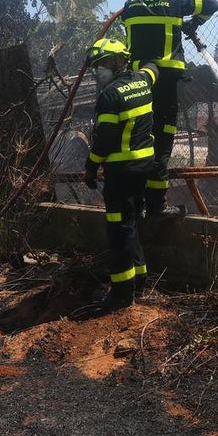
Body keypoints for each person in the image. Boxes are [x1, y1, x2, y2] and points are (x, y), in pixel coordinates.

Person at [120, 0, 218, 218]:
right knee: (162, 143)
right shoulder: (174, 0)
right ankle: (157, 207)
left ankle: (137, 204)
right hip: (164, 83)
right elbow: (211, 3)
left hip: (137, 83)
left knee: (140, 142)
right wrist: (195, 22)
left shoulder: (130, 3)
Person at [82, 38, 159, 311]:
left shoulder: (110, 95)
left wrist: (91, 166)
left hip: (121, 172)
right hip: (143, 168)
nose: (98, 71)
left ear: (117, 62)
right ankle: (139, 281)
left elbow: (103, 140)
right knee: (133, 223)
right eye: (96, 66)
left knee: (119, 230)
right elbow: (154, 68)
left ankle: (122, 294)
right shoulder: (142, 81)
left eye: (102, 64)